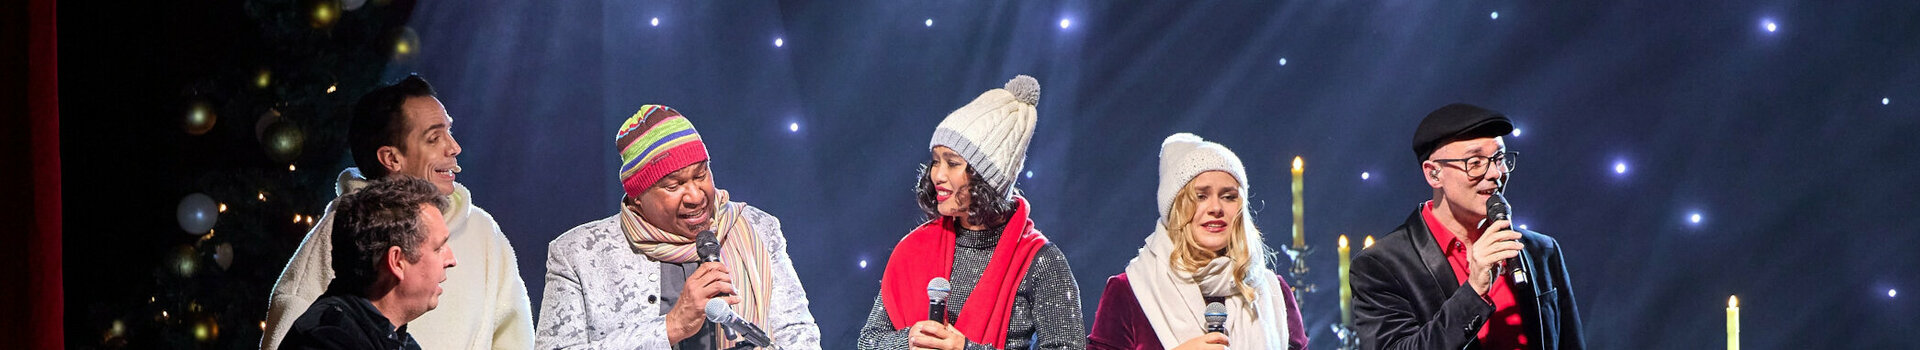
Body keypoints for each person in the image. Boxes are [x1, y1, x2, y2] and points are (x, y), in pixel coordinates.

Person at [265, 75, 534, 350]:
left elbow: (515, 337)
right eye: (434, 138)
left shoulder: (483, 232)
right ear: (391, 158)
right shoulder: (342, 231)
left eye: (449, 132)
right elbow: (291, 331)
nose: (454, 148)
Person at [536, 105, 821, 349]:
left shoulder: (758, 228)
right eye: (673, 185)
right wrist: (672, 325)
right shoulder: (578, 254)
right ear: (637, 198)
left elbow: (799, 336)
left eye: (701, 175)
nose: (696, 196)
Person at [857, 75, 1085, 350]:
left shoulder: (1041, 262)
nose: (937, 175)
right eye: (935, 161)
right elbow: (868, 341)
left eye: (952, 163)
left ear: (987, 178)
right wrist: (908, 342)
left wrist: (965, 349)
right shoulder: (913, 249)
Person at [1350, 103, 1586, 349]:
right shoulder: (1381, 265)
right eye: (1475, 162)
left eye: (1499, 158)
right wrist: (1473, 292)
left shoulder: (1540, 250)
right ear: (1433, 174)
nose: (1495, 172)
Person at [1088, 133, 1308, 350]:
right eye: (1200, 196)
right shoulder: (1129, 291)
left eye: (1229, 196)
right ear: (1175, 207)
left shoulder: (1272, 292)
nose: (1216, 208)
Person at [280, 177, 457, 350]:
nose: (451, 260)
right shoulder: (325, 339)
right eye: (438, 247)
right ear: (397, 262)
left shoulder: (393, 338)